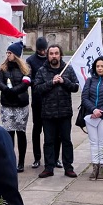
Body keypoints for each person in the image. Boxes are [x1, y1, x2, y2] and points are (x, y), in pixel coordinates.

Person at [34, 44, 80, 178]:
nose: (54, 56)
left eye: (56, 53)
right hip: (48, 113)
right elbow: (37, 89)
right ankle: (49, 167)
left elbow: (75, 87)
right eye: (51, 54)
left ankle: (68, 167)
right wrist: (51, 83)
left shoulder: (68, 69)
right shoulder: (42, 71)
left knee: (66, 140)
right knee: (48, 141)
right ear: (47, 56)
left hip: (65, 113)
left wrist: (64, 81)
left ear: (60, 55)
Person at [80, 56, 103, 180]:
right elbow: (84, 97)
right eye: (97, 66)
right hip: (91, 116)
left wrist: (101, 111)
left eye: (102, 66)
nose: (100, 68)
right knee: (93, 141)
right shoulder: (90, 80)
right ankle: (94, 166)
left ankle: (102, 166)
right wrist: (93, 110)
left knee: (102, 141)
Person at [0, 42, 32, 171]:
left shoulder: (25, 68)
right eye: (7, 53)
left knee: (20, 133)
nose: (8, 55)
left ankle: (21, 162)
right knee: (9, 133)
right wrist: (6, 89)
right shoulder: (3, 68)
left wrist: (14, 91)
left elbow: (26, 83)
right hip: (7, 104)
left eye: (10, 53)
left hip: (20, 105)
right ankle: (11, 160)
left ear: (16, 55)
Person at [25, 37, 49, 169]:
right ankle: (37, 157)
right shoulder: (30, 61)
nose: (43, 52)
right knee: (37, 129)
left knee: (50, 131)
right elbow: (29, 78)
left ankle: (52, 158)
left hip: (50, 100)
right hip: (37, 99)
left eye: (44, 49)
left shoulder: (50, 58)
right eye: (40, 50)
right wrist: (40, 83)